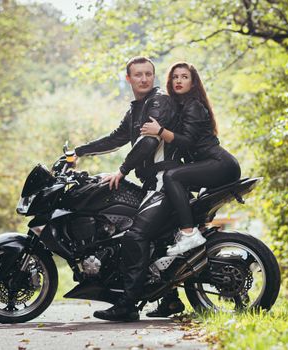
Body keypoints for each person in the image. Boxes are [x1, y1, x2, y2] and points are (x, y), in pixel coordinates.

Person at [74, 56, 182, 321]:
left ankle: (128, 305)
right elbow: (116, 138)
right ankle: (169, 299)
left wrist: (121, 171)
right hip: (152, 183)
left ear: (154, 77)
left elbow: (147, 143)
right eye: (138, 75)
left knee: (135, 236)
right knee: (140, 233)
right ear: (129, 78)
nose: (144, 79)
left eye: (148, 74)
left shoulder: (159, 102)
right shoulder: (136, 108)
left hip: (164, 180)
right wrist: (78, 152)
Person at [141, 61, 241, 256]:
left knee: (172, 177)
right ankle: (204, 243)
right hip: (214, 164)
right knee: (184, 191)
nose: (179, 81)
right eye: (175, 77)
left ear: (193, 83)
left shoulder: (193, 106)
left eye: (184, 77)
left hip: (220, 164)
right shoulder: (180, 106)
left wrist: (159, 131)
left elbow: (186, 142)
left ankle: (188, 233)